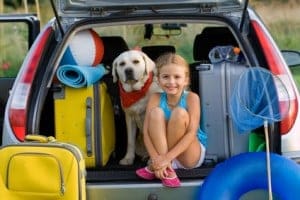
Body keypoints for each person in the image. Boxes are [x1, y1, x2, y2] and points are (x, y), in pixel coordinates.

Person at [136, 53, 207, 188]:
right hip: (163, 155)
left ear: (186, 80)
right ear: (158, 79)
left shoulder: (192, 98)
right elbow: (146, 132)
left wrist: (166, 159)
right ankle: (167, 170)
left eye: (177, 77)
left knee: (179, 113)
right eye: (166, 77)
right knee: (156, 113)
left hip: (188, 154)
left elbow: (191, 133)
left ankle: (161, 166)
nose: (171, 82)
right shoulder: (155, 98)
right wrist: (157, 159)